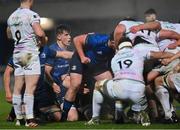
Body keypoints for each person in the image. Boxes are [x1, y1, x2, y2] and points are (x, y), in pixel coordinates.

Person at [86, 38, 174, 126]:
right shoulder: (139, 52)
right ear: (131, 43)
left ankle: (95, 118)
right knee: (138, 103)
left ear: (119, 46)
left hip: (120, 88)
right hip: (138, 91)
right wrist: (174, 55)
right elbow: (160, 54)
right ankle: (143, 113)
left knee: (98, 85)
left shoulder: (115, 57)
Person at [3, 46, 69, 125]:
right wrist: (8, 92)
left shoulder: (45, 50)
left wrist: (79, 54)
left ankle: (39, 114)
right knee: (27, 120)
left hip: (41, 93)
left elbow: (63, 54)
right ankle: (15, 111)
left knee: (58, 117)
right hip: (27, 94)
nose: (41, 40)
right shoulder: (25, 54)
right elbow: (8, 71)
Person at [7, 0, 47, 127]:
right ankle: (30, 119)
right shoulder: (32, 15)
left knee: (18, 88)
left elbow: (9, 34)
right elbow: (40, 33)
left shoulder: (11, 16)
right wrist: (43, 39)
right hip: (29, 53)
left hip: (17, 53)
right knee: (30, 87)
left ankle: (19, 119)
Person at [61, 32, 116, 121]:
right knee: (75, 85)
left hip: (96, 64)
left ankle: (116, 113)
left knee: (111, 85)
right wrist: (82, 57)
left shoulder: (117, 46)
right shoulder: (98, 39)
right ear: (112, 41)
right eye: (117, 43)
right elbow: (76, 39)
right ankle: (64, 116)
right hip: (80, 60)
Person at [45, 25, 78, 121]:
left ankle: (81, 107)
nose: (69, 37)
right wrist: (53, 84)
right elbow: (46, 71)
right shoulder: (52, 51)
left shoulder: (68, 51)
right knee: (72, 118)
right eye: (66, 35)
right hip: (57, 88)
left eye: (69, 35)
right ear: (59, 37)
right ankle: (47, 112)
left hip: (68, 86)